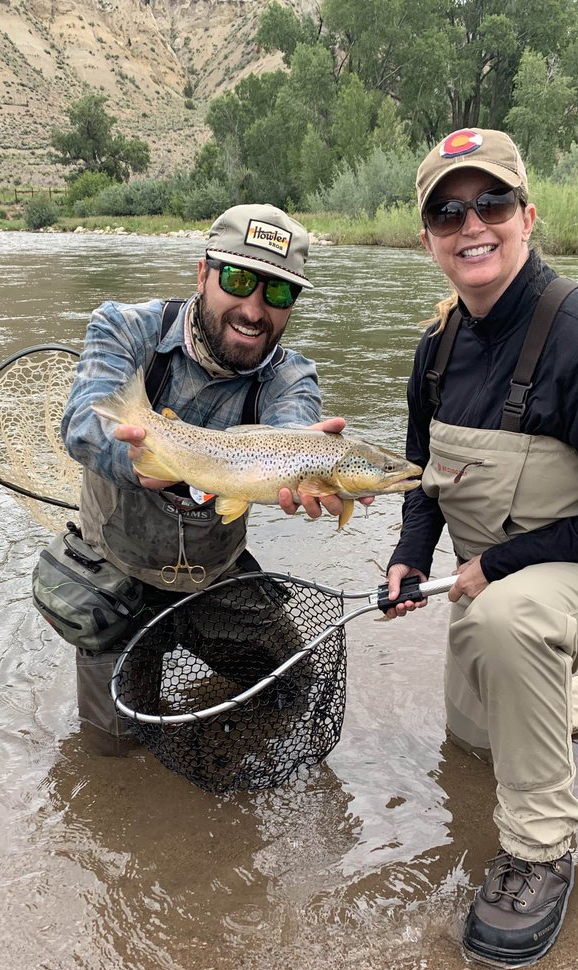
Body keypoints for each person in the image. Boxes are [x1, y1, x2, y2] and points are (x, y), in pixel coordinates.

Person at [384, 128, 578, 969]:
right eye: (448, 212)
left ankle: (539, 850)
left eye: (491, 202)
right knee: (480, 744)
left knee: (510, 625)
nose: (471, 224)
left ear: (528, 216)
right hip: (494, 588)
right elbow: (424, 478)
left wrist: (495, 567)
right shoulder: (436, 349)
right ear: (428, 239)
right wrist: (409, 558)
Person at [61, 203, 352, 755]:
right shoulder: (125, 328)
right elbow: (81, 423)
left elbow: (294, 426)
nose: (254, 308)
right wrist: (140, 465)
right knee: (112, 754)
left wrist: (304, 458)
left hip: (213, 573)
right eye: (239, 279)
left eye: (278, 293)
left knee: (294, 689)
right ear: (203, 274)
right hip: (117, 571)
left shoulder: (291, 375)